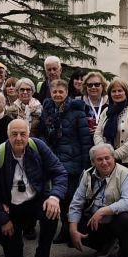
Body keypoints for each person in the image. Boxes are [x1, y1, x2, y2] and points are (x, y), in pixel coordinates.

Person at [0, 119, 67, 257]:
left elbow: (59, 172)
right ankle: (15, 237)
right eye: (14, 134)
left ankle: (42, 255)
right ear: (8, 136)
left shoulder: (38, 146)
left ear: (29, 135)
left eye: (23, 134)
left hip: (35, 201)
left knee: (53, 212)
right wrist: (3, 219)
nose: (19, 138)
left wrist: (54, 197)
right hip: (11, 207)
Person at [68, 144, 128, 257]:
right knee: (69, 230)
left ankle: (124, 255)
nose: (104, 162)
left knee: (125, 219)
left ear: (114, 158)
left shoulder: (125, 174)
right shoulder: (87, 174)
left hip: (118, 219)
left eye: (107, 158)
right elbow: (76, 203)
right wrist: (73, 230)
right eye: (99, 159)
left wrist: (103, 211)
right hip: (97, 221)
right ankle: (107, 244)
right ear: (93, 162)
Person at [39, 78, 92, 242]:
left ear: (67, 93)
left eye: (61, 91)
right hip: (53, 158)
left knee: (71, 196)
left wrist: (86, 164)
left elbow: (84, 139)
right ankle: (64, 229)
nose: (57, 94)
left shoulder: (77, 111)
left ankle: (73, 229)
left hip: (72, 159)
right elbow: (43, 132)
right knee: (59, 196)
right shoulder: (47, 109)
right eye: (54, 91)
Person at [93, 78, 128, 172]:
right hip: (107, 163)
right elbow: (97, 134)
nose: (117, 94)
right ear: (110, 94)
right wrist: (105, 154)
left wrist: (113, 155)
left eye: (120, 90)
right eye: (114, 91)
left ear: (126, 93)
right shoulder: (106, 112)